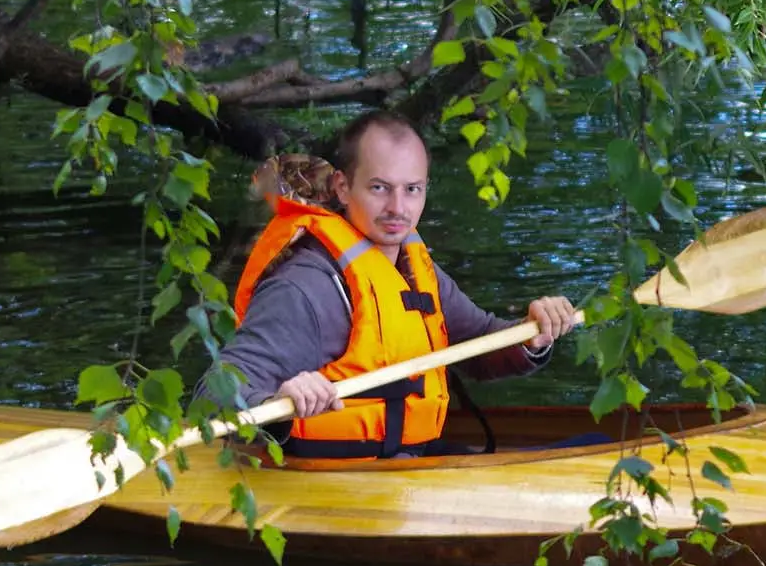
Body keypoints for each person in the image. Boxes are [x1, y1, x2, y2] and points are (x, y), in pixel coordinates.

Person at [210, 109, 577, 459]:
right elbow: (214, 393)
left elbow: (481, 343)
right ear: (342, 186)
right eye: (380, 188)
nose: (398, 208)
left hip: (406, 460)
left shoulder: (409, 264)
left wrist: (532, 336)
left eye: (412, 189)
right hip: (334, 482)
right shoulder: (306, 287)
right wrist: (275, 402)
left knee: (587, 443)